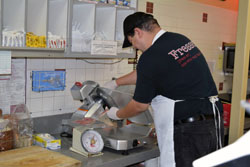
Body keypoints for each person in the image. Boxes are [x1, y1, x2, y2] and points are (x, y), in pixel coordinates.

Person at [104, 12, 224, 167]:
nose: (134, 46)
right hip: (211, 122)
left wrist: (117, 114)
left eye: (131, 41)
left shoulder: (150, 56)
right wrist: (116, 83)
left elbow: (140, 105)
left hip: (188, 130)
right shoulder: (179, 40)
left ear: (138, 32)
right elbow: (148, 73)